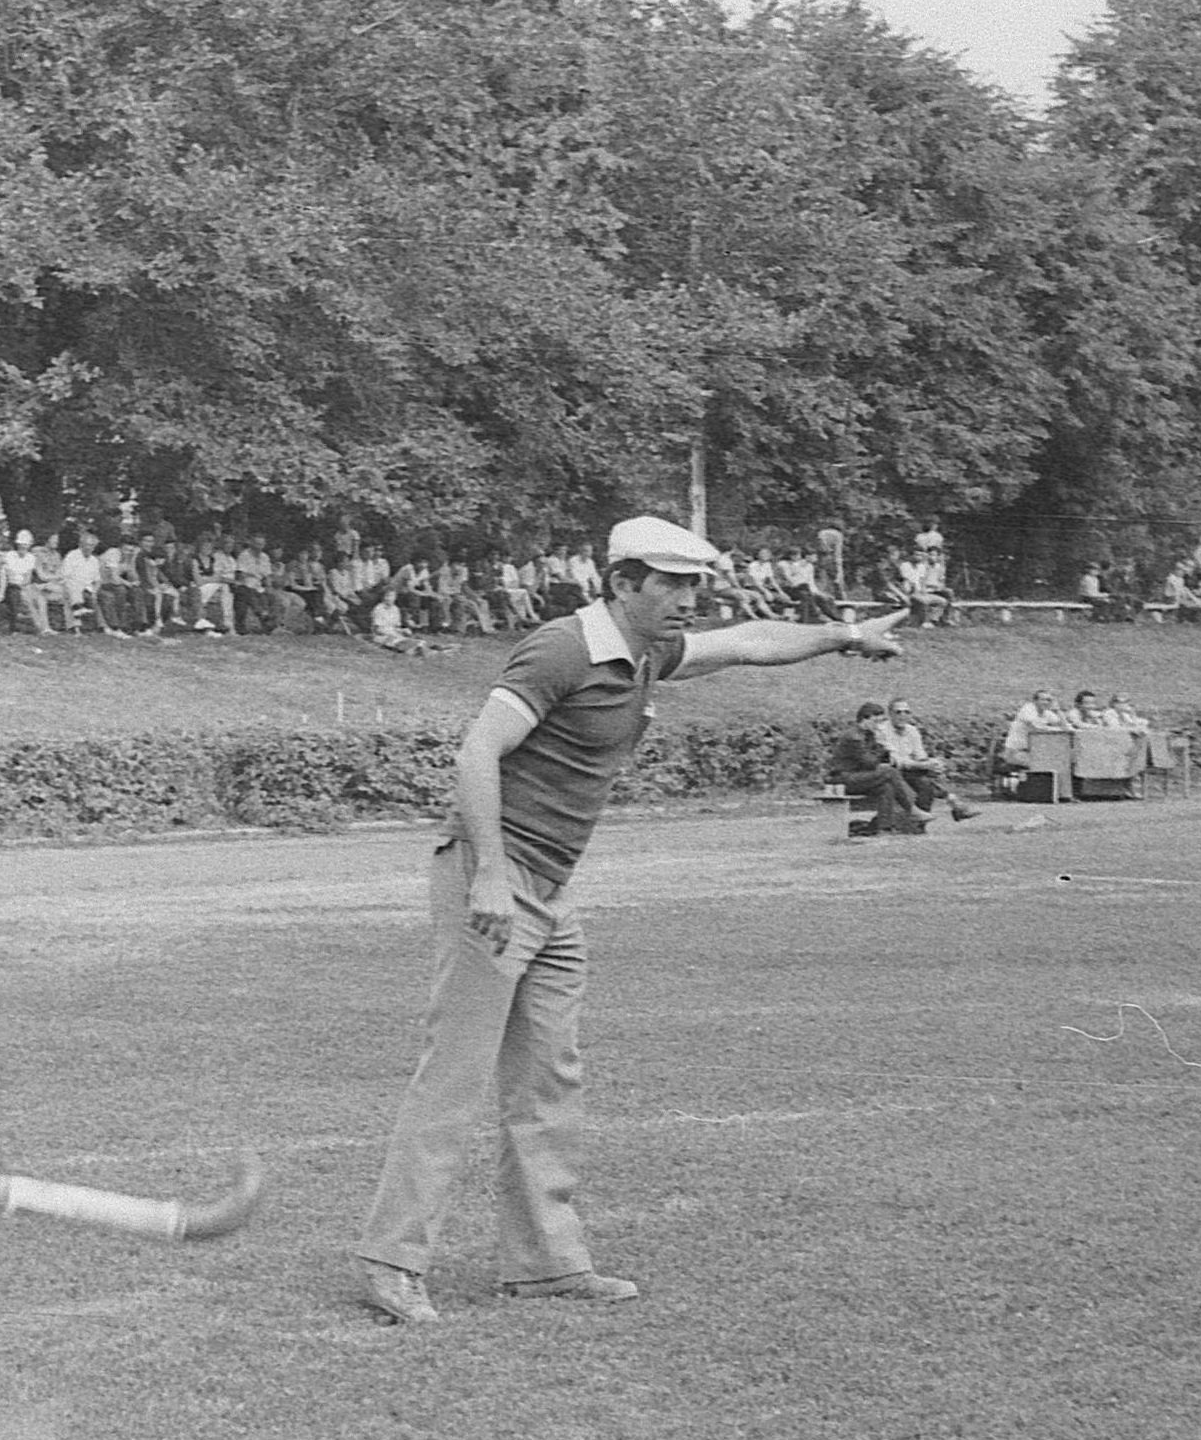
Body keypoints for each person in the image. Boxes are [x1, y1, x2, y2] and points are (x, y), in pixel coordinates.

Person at [349, 516, 907, 1325]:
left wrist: (843, 635)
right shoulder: (564, 648)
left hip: (551, 890)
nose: (688, 599)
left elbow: (749, 641)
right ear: (622, 583)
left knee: (548, 1077)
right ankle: (390, 1260)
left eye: (693, 586)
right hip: (494, 879)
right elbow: (476, 752)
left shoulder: (645, 651)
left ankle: (543, 1265)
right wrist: (493, 878)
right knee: (457, 1074)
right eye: (672, 584)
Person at [873, 698, 978, 823]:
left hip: (910, 772)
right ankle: (952, 801)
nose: (903, 716)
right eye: (898, 712)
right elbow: (897, 761)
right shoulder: (881, 731)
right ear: (890, 714)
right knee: (922, 779)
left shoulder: (912, 730)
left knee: (925, 780)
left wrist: (933, 763)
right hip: (887, 772)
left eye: (907, 712)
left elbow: (920, 755)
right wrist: (923, 765)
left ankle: (919, 822)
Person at [830, 702, 926, 837]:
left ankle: (884, 829)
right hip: (843, 780)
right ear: (865, 719)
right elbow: (870, 763)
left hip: (859, 777)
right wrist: (881, 746)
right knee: (889, 772)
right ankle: (912, 809)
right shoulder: (854, 737)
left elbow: (877, 761)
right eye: (877, 721)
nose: (879, 726)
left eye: (881, 722)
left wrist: (883, 751)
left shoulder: (868, 734)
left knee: (886, 787)